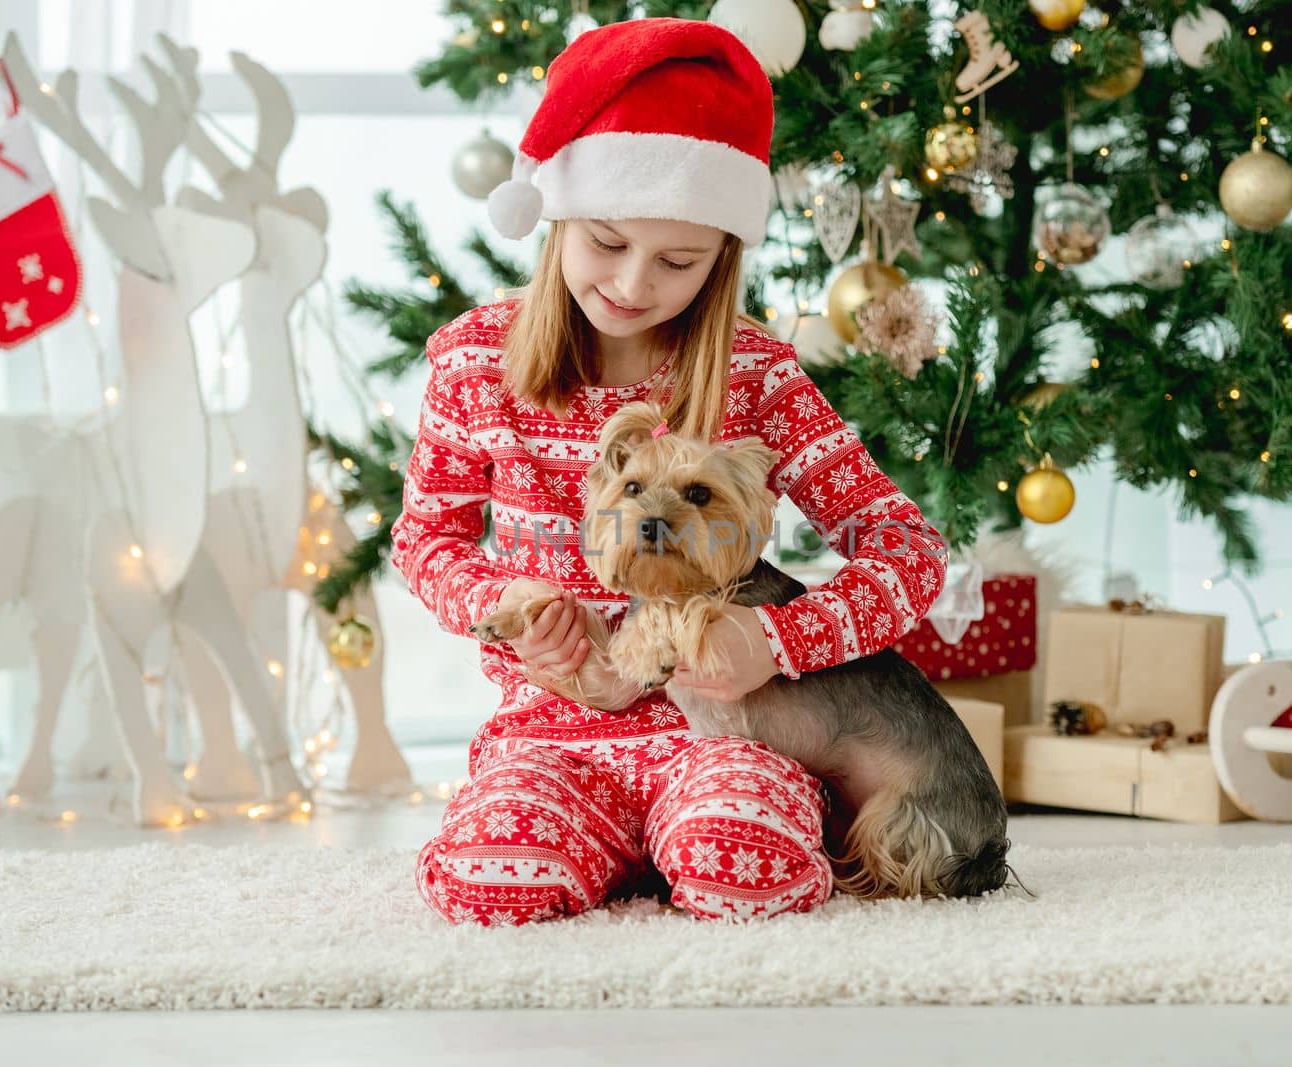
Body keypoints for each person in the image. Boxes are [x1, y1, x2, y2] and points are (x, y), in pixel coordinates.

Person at [397, 17, 948, 927]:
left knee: (749, 873)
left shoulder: (759, 377)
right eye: (606, 241)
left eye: (678, 260)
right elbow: (427, 542)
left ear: (722, 257)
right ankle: (601, 841)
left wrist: (775, 643)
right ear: (558, 217)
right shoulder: (474, 365)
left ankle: (676, 843)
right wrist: (507, 609)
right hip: (551, 735)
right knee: (492, 883)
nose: (632, 283)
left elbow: (910, 552)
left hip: (723, 738)